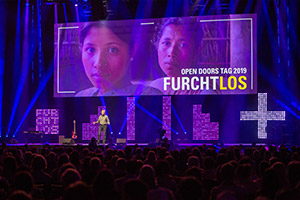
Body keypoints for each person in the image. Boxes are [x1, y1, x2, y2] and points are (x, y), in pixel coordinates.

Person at [76, 21, 162, 96]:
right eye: (90, 50)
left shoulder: (148, 97)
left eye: (112, 50)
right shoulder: (81, 96)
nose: (98, 63)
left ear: (132, 52)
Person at [150, 17, 220, 95]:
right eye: (166, 43)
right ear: (157, 46)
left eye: (183, 45)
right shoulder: (156, 87)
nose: (172, 53)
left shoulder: (205, 93)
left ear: (196, 51)